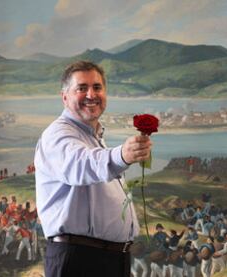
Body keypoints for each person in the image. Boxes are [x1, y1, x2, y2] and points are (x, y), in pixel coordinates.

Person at [34, 61, 152, 277]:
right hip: (79, 260)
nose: (91, 94)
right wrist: (122, 155)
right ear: (65, 97)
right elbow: (81, 164)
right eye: (82, 88)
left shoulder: (92, 135)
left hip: (109, 259)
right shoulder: (57, 135)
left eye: (97, 87)